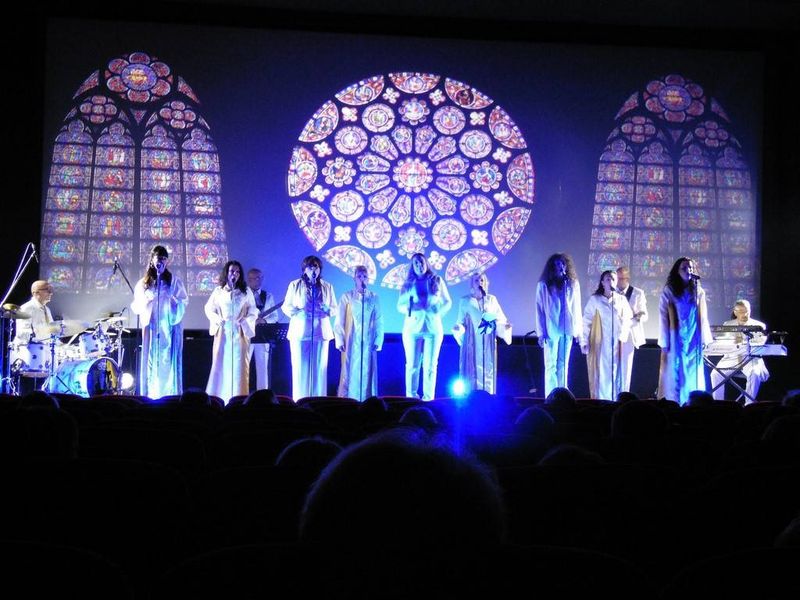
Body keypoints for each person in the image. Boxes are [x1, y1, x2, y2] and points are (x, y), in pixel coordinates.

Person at [130, 245, 188, 399]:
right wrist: (145, 300)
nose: (160, 261)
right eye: (158, 258)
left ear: (167, 262)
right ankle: (150, 395)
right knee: (151, 362)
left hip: (168, 329)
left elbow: (183, 301)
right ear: (152, 260)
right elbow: (136, 306)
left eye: (163, 258)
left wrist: (174, 301)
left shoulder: (174, 282)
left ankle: (169, 395)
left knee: (167, 361)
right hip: (151, 328)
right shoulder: (143, 283)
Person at [657, 257, 713, 406]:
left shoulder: (698, 291)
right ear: (677, 271)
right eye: (684, 268)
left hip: (694, 335)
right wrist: (665, 341)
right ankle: (677, 402)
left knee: (693, 370)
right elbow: (663, 316)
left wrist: (705, 340)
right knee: (678, 370)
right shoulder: (669, 290)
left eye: (691, 268)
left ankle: (694, 402)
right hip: (677, 336)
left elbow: (703, 316)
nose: (688, 270)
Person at [397, 253, 452, 401]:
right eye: (416, 263)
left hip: (432, 328)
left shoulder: (437, 280)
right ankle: (411, 399)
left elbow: (447, 301)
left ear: (426, 263)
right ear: (412, 266)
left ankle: (428, 399)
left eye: (421, 262)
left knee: (430, 366)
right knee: (412, 366)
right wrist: (412, 306)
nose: (419, 265)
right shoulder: (408, 283)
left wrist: (438, 311)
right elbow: (400, 305)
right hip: (412, 328)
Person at [282, 255, 337, 401]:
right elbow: (286, 307)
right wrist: (299, 312)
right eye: (310, 267)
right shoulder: (295, 285)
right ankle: (300, 400)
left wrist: (326, 308)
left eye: (316, 267)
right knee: (301, 368)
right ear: (304, 269)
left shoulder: (327, 286)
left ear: (320, 269)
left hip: (320, 332)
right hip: (300, 332)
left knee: (319, 369)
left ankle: (318, 400)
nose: (313, 270)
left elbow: (334, 308)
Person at [204, 260, 258, 403]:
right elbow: (209, 308)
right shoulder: (218, 291)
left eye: (237, 272)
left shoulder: (245, 292)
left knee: (239, 366)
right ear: (227, 273)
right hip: (223, 332)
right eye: (232, 271)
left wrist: (245, 321)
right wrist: (216, 318)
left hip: (239, 332)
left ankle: (237, 398)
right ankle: (218, 398)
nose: (234, 274)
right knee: (221, 365)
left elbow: (253, 310)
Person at [452, 272, 512, 395]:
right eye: (476, 280)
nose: (480, 283)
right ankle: (470, 396)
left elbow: (500, 318)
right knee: (472, 370)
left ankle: (488, 396)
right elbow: (461, 322)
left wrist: (505, 326)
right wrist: (458, 329)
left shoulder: (491, 299)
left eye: (482, 280)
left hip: (487, 342)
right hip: (471, 342)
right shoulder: (465, 301)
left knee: (487, 370)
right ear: (472, 284)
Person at [535, 253, 583, 396]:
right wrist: (541, 332)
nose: (560, 267)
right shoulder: (543, 285)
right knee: (551, 365)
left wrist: (578, 332)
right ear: (551, 267)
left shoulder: (572, 284)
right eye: (556, 264)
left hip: (567, 328)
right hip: (551, 329)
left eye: (562, 264)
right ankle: (551, 395)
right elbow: (539, 310)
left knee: (563, 364)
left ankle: (563, 394)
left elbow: (576, 307)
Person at [580, 270, 632, 401]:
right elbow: (586, 320)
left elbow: (627, 319)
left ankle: (616, 400)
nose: (611, 282)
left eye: (613, 279)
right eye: (608, 279)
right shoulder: (595, 299)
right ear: (602, 282)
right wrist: (584, 341)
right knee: (603, 371)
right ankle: (603, 401)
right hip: (601, 342)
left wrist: (622, 336)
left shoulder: (621, 300)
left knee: (617, 371)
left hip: (617, 342)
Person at [334, 265, 384, 401]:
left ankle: (366, 402)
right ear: (354, 278)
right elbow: (339, 320)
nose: (362, 279)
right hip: (351, 340)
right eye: (359, 276)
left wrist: (378, 341)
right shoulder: (347, 297)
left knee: (367, 371)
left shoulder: (374, 297)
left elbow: (379, 320)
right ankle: (349, 400)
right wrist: (340, 340)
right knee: (350, 371)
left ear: (368, 279)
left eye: (365, 276)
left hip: (368, 340)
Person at [709, 299, 769, 404]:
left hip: (750, 358)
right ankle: (717, 404)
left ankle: (749, 405)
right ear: (735, 312)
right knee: (715, 374)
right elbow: (722, 342)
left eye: (747, 311)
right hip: (731, 358)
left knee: (754, 373)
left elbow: (761, 345)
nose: (745, 314)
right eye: (741, 311)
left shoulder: (759, 326)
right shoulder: (728, 324)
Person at [246, 267, 280, 391]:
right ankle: (241, 392)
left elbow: (274, 316)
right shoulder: (243, 294)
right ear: (249, 280)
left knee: (262, 366)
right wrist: (251, 320)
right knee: (244, 366)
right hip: (247, 335)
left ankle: (263, 394)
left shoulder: (268, 296)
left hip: (263, 336)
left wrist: (264, 320)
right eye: (255, 278)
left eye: (260, 277)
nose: (258, 280)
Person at [616, 266, 648, 393]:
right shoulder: (611, 292)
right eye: (617, 278)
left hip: (629, 334)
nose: (618, 281)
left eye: (621, 278)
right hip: (614, 333)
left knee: (626, 366)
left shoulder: (637, 293)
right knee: (613, 366)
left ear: (627, 278)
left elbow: (644, 314)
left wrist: (634, 318)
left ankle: (623, 394)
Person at [12, 280, 55, 346]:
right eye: (47, 290)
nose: (50, 293)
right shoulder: (26, 308)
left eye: (51, 290)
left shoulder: (47, 310)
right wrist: (36, 335)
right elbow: (22, 333)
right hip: (28, 351)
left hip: (43, 349)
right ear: (36, 293)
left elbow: (52, 330)